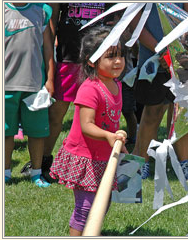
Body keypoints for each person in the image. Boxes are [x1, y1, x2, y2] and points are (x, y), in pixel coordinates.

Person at [21, 3, 118, 182]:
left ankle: (99, 162)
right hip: (69, 57)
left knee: (99, 115)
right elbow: (52, 19)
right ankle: (43, 162)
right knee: (56, 114)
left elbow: (116, 12)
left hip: (100, 58)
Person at [49, 26, 128, 236]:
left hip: (104, 156)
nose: (118, 61)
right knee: (85, 208)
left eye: (120, 55)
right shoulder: (90, 88)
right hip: (85, 157)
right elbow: (87, 125)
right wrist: (110, 136)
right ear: (92, 61)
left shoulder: (116, 85)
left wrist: (118, 141)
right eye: (111, 57)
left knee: (103, 203)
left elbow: (110, 121)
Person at [130, 3, 188, 179]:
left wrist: (179, 51)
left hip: (181, 59)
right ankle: (142, 162)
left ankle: (183, 163)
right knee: (152, 112)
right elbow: (136, 25)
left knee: (181, 113)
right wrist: (162, 50)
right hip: (152, 60)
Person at [5, 3, 55, 187]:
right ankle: (6, 172)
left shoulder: (42, 10)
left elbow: (48, 49)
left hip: (35, 85)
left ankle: (36, 173)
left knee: (37, 132)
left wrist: (50, 79)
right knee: (5, 132)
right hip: (6, 85)